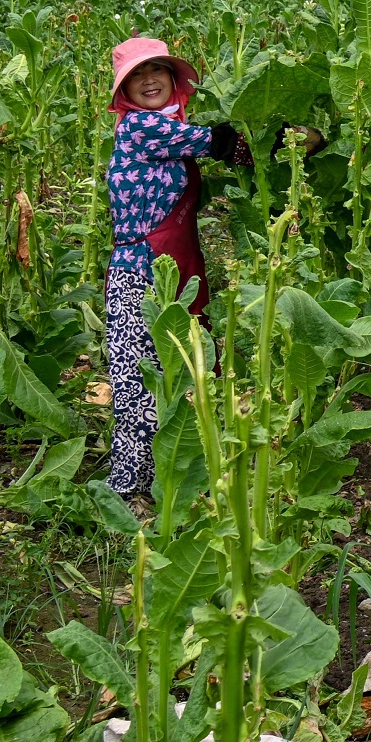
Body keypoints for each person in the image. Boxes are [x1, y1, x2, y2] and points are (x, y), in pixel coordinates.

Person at [101, 37, 247, 500]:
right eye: (136, 75)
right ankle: (130, 490)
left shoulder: (169, 129)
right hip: (139, 272)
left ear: (172, 79)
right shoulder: (141, 127)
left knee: (184, 369)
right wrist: (290, 139)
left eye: (157, 70)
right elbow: (219, 143)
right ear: (124, 91)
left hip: (175, 265)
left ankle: (184, 478)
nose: (149, 80)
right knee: (139, 378)